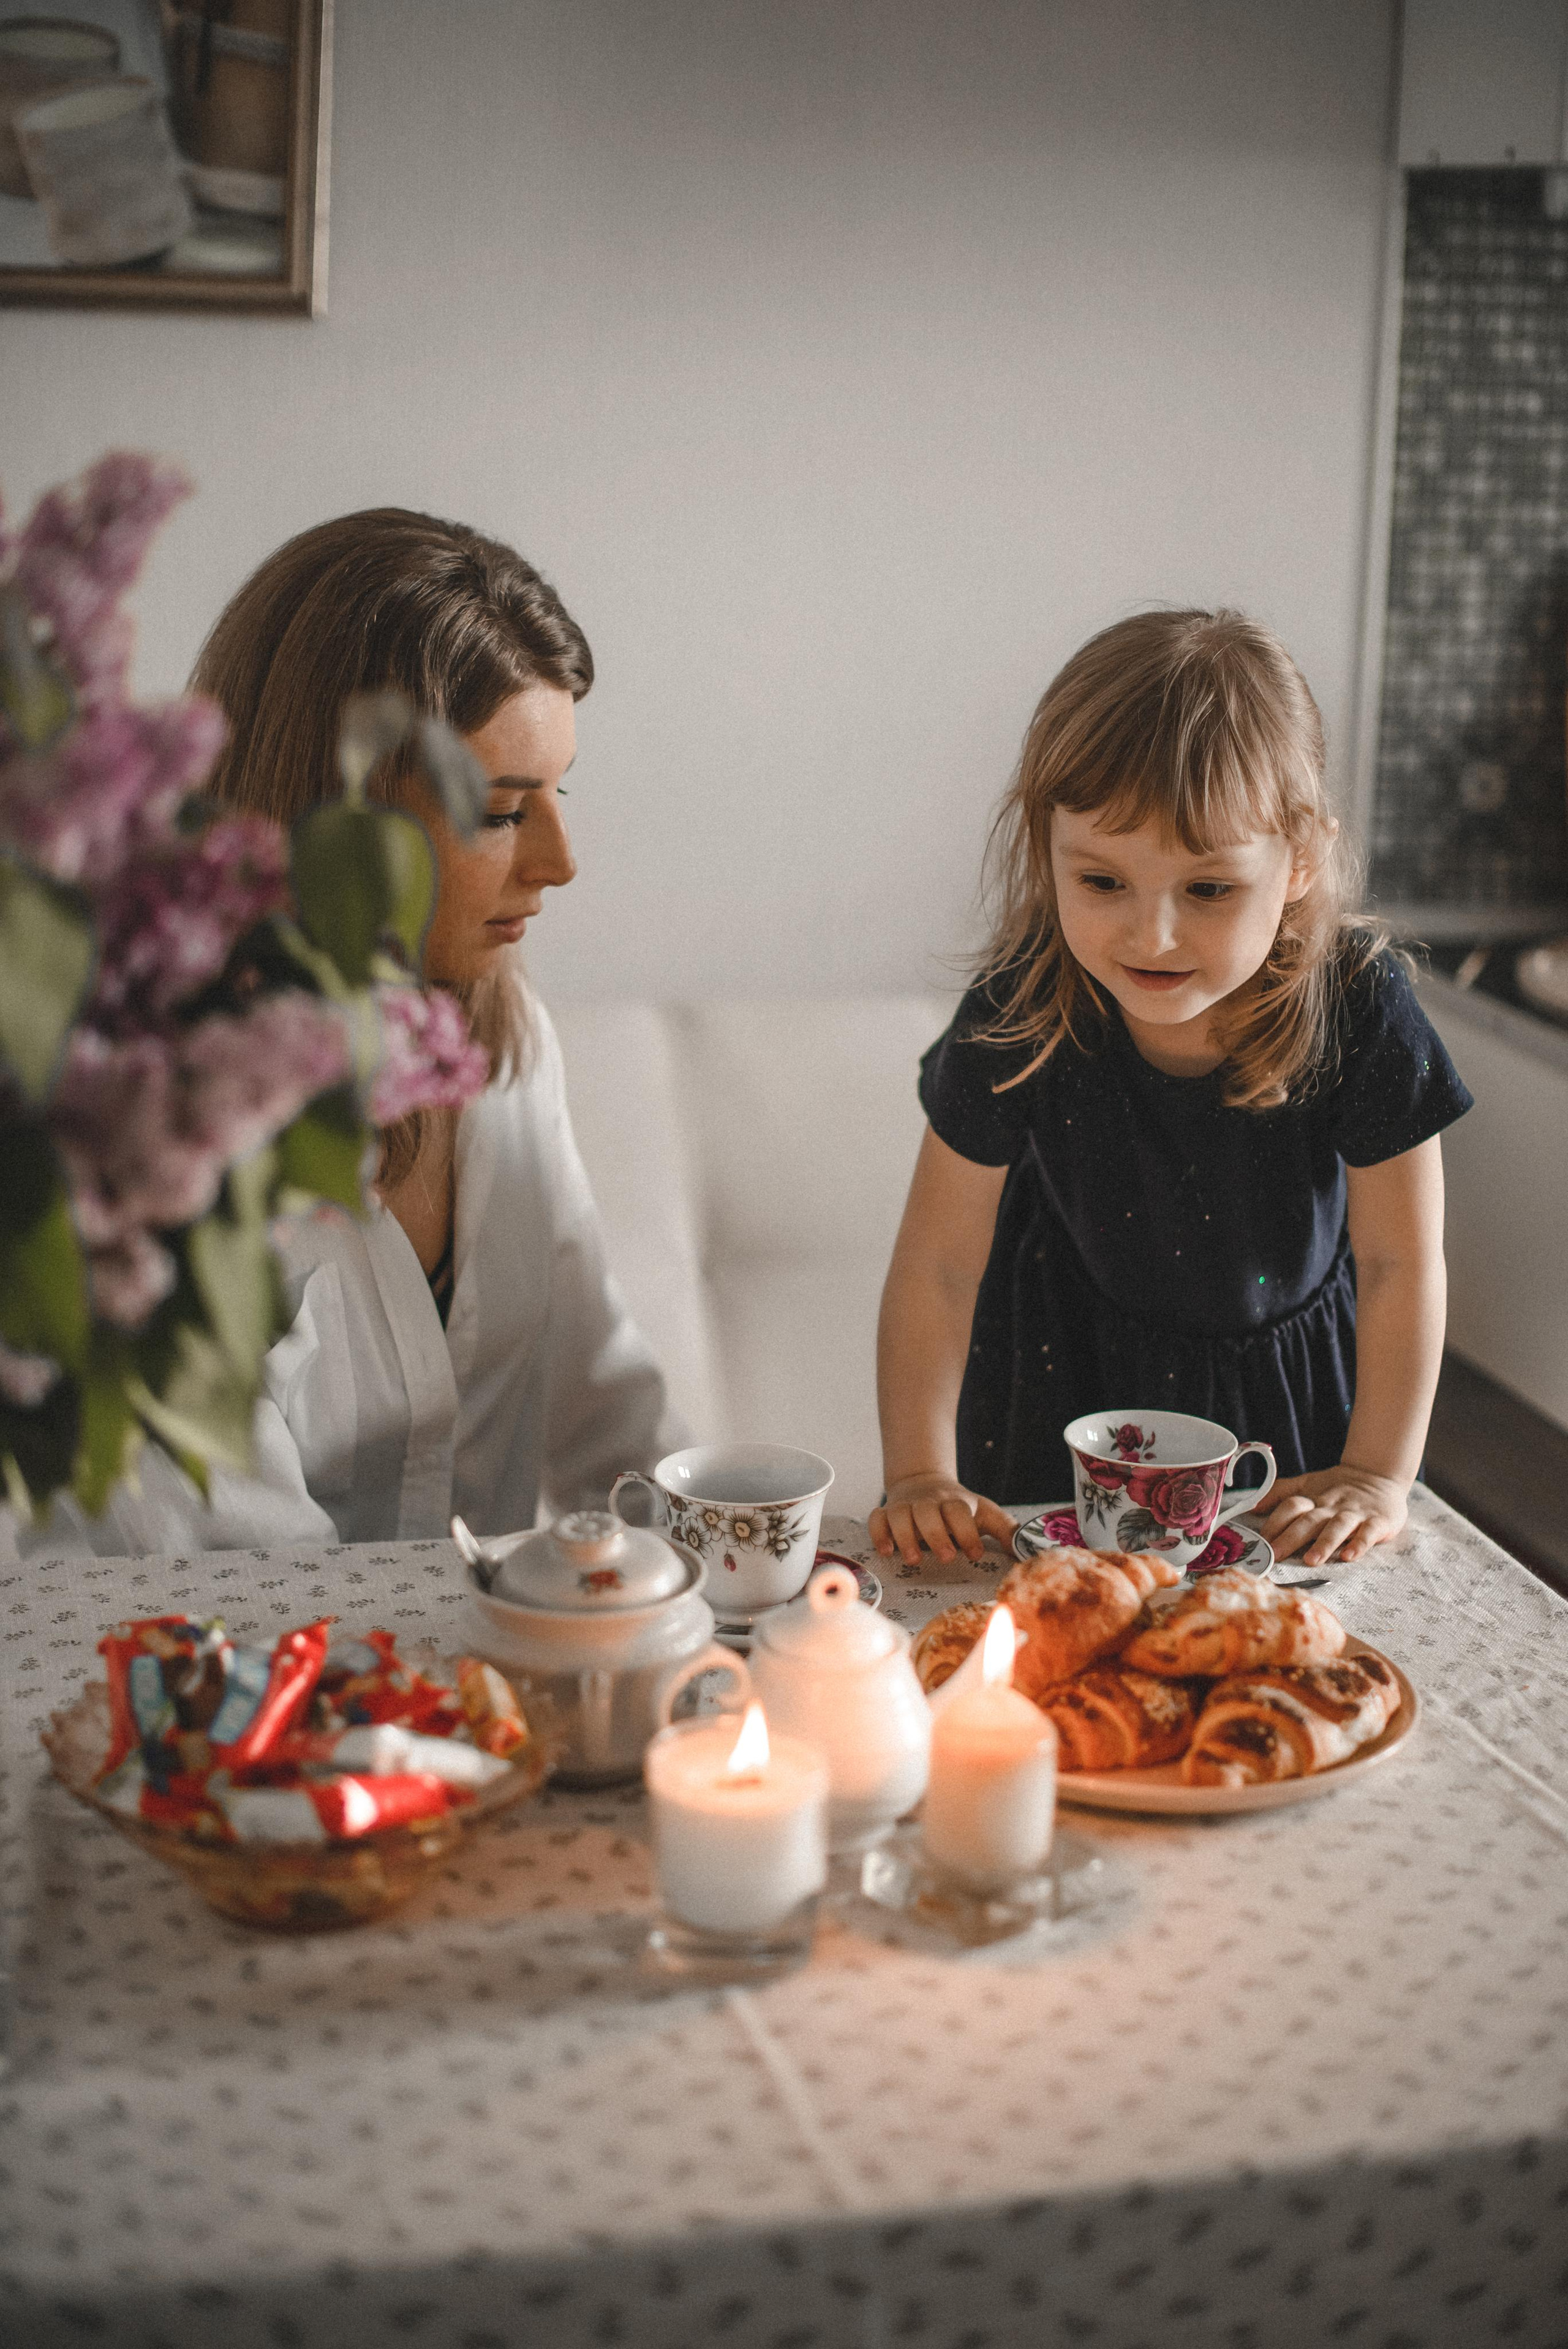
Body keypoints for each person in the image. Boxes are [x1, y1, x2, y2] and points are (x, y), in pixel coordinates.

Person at [15, 509, 669, 1556]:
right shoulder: (158, 1132)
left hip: (481, 1683)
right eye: (503, 811)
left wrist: (738, 1574)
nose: (560, 860)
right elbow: (233, 1569)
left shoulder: (511, 1048)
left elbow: (610, 1413)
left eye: (559, 794)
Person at [870, 609, 1472, 1575]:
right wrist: (915, 1476)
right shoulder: (1021, 1003)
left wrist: (1377, 1473)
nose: (1152, 936)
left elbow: (1403, 1262)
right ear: (1047, 848)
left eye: (1208, 890)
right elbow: (938, 1265)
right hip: (1062, 1404)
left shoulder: (1359, 1006)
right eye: (1103, 880)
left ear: (1301, 860)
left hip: (1292, 1418)